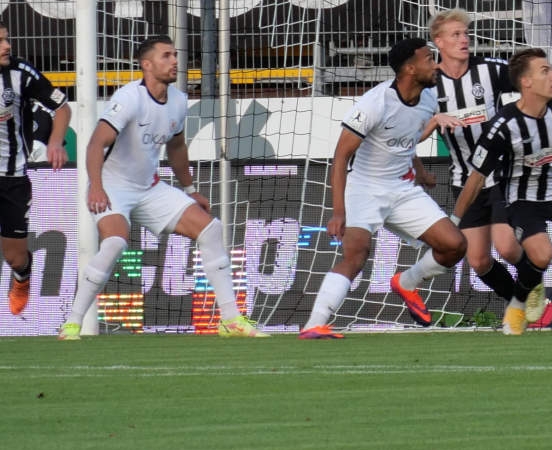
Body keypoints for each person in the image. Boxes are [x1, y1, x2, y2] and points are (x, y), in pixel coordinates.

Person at [59, 35, 265, 339]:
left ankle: (231, 320)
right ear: (147, 64)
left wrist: (190, 189)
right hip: (113, 187)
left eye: (175, 55)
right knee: (115, 243)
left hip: (149, 188)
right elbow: (95, 144)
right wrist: (97, 187)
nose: (174, 61)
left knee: (210, 229)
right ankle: (72, 322)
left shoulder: (178, 100)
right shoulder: (129, 98)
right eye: (166, 55)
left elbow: (177, 146)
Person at [428, 10, 552, 334]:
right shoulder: (428, 83)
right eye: (456, 34)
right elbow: (411, 131)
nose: (464, 39)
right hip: (466, 178)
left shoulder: (488, 70)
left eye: (466, 33)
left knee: (508, 247)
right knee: (479, 261)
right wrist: (433, 121)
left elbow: (538, 75)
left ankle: (535, 291)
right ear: (438, 41)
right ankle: (522, 301)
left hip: (503, 176)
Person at [300, 38, 468, 338]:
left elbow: (408, 138)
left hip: (402, 189)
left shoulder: (429, 99)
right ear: (410, 68)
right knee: (356, 256)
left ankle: (406, 282)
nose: (436, 65)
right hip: (364, 189)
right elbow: (341, 157)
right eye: (429, 59)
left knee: (454, 245)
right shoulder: (375, 103)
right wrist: (338, 212)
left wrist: (420, 172)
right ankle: (315, 323)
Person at [0, 22, 70, 316]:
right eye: (0, 42)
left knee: (15, 258)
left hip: (12, 178)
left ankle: (22, 277)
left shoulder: (21, 74)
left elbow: (62, 107)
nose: (7, 46)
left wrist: (55, 142)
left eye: (6, 39)